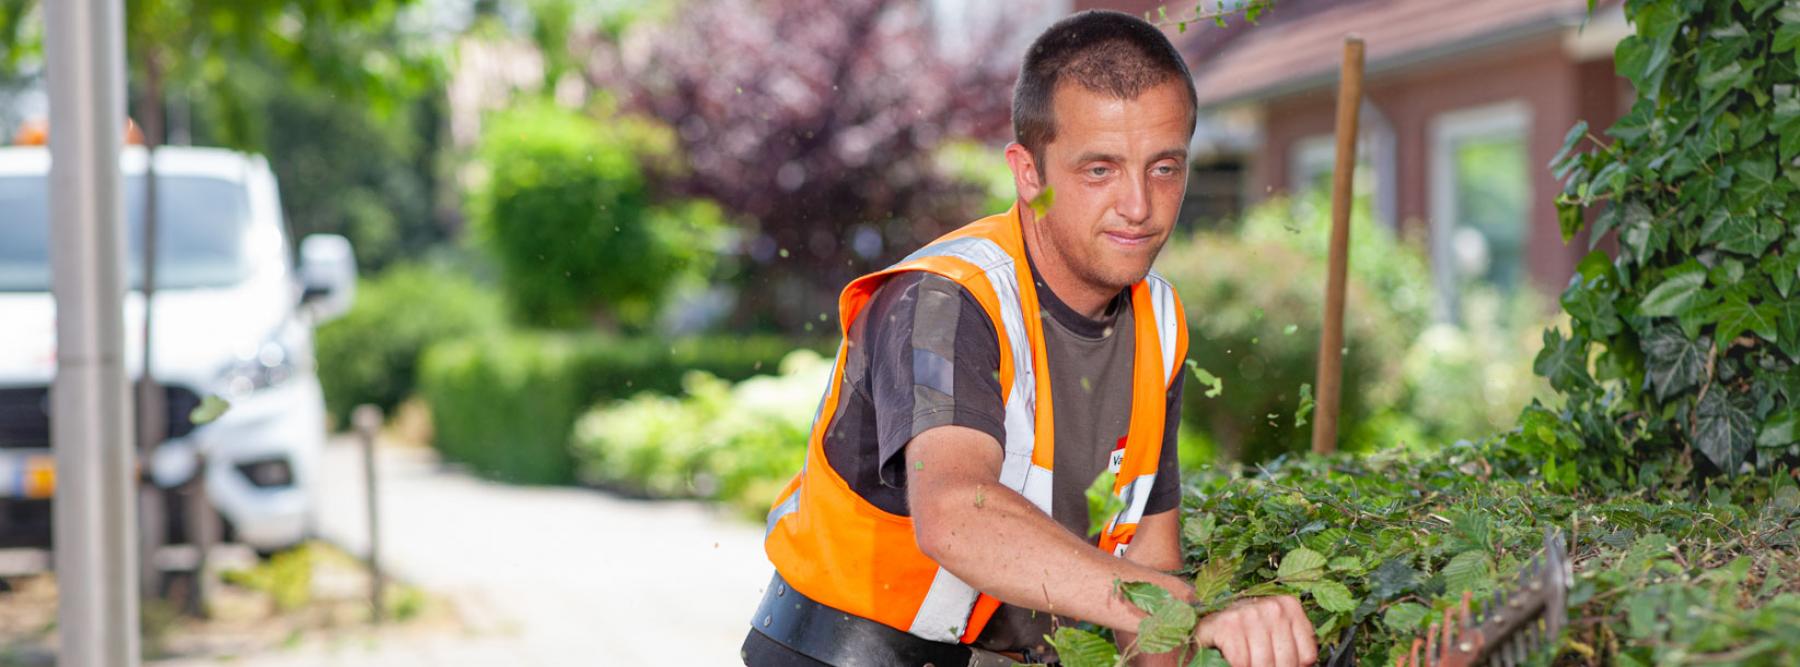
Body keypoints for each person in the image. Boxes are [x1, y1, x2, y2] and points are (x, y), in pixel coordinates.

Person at [745, 10, 1317, 667]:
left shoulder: (1158, 316)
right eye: (1099, 169)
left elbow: (1148, 553)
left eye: (1164, 168)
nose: (1139, 205)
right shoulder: (946, 298)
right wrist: (1176, 605)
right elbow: (959, 514)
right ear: (1029, 173)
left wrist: (1178, 632)